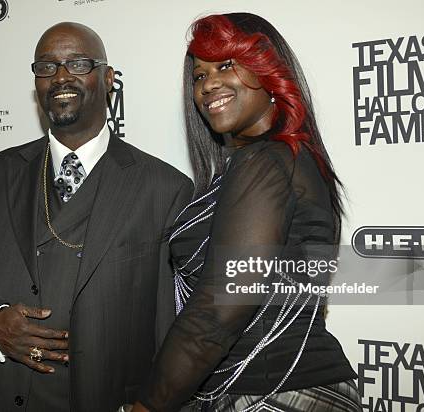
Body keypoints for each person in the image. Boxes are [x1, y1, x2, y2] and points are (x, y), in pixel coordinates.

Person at [0, 22, 192, 412]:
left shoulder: (165, 188)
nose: (60, 77)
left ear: (108, 78)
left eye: (78, 63)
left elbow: (172, 323)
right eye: (46, 67)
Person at [131, 13, 362, 412]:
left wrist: (148, 405)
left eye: (225, 65)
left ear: (268, 71)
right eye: (199, 76)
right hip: (257, 388)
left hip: (279, 393)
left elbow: (219, 311)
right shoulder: (266, 162)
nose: (208, 85)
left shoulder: (268, 162)